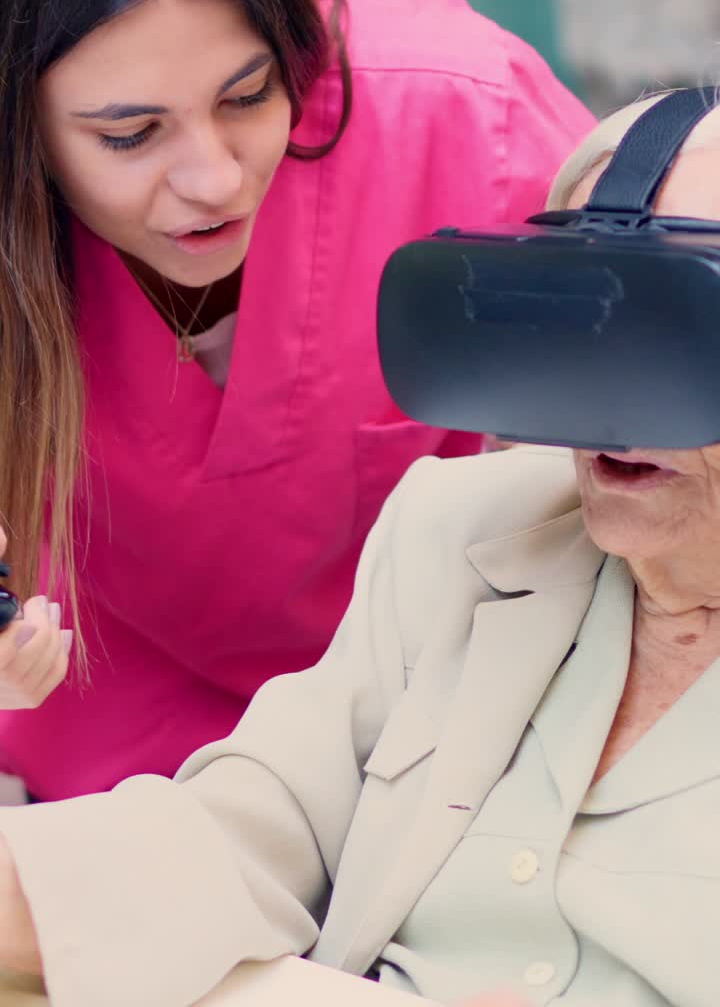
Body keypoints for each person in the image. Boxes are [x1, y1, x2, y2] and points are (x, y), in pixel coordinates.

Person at [0, 90, 717, 1006]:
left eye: (680, 328)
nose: (611, 398)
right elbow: (255, 825)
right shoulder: (462, 528)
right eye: (590, 319)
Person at [0, 0, 592, 800]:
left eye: (248, 96)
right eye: (130, 134)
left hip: (454, 721)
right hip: (111, 709)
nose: (216, 178)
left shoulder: (465, 112)